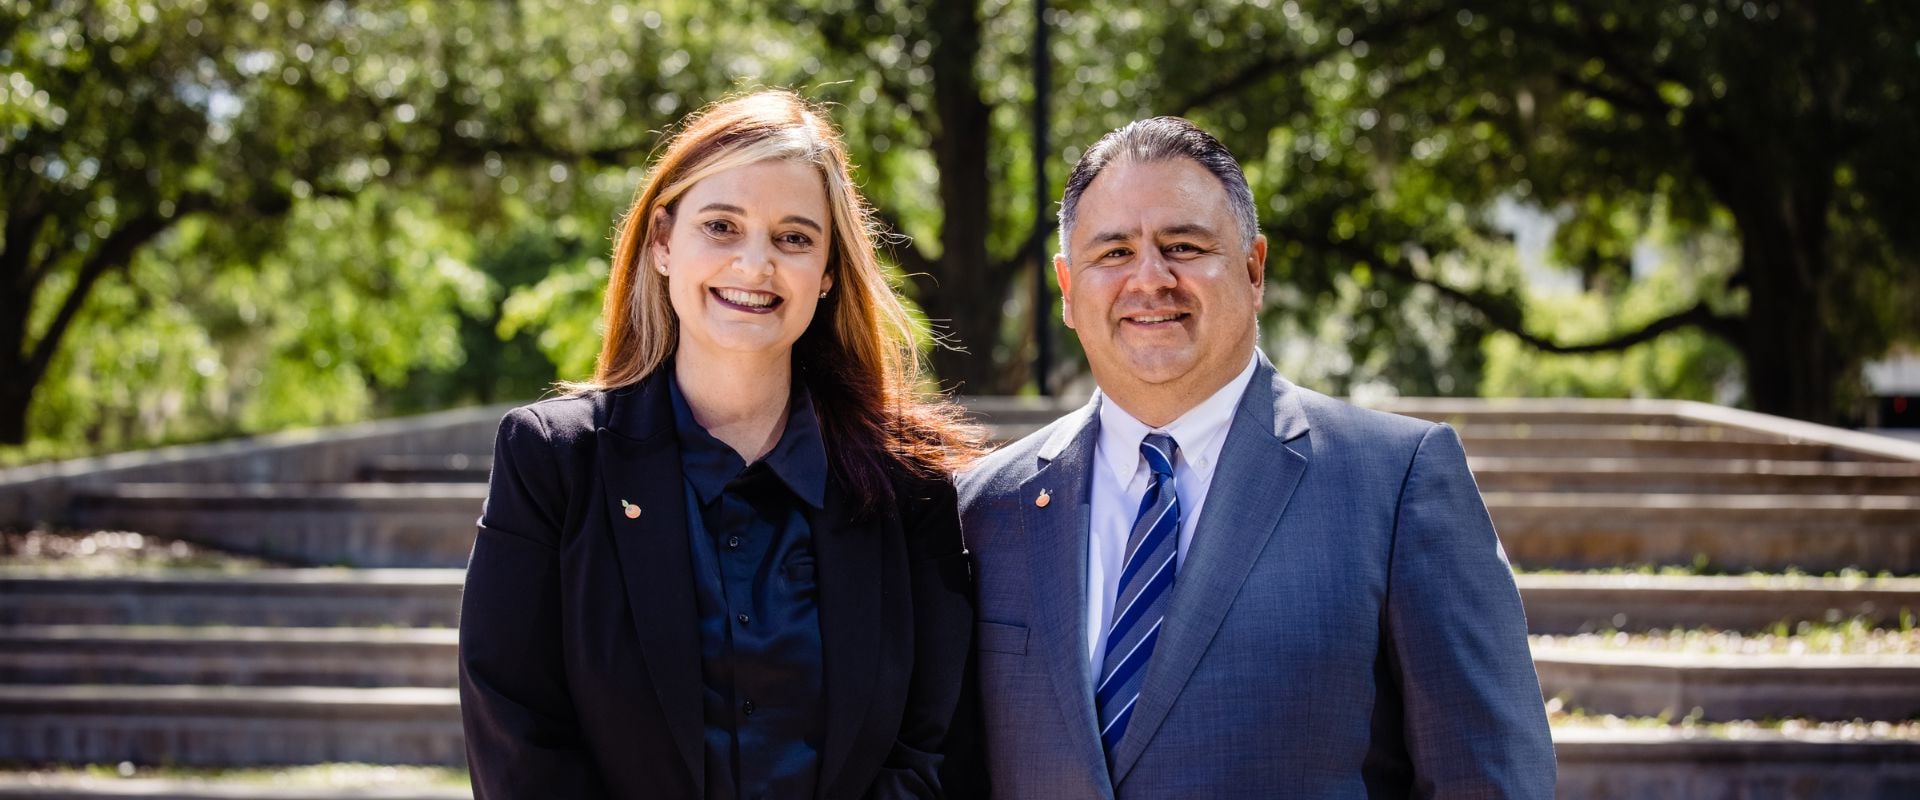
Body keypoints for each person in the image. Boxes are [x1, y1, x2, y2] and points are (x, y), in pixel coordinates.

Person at [958, 117, 1555, 798]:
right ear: (1068, 287)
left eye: (1183, 245)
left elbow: (1488, 778)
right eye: (1114, 252)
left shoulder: (1396, 484)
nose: (1150, 278)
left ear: (1252, 268)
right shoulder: (982, 509)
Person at [459, 90, 982, 799]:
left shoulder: (910, 485)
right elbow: (519, 739)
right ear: (664, 244)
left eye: (794, 238)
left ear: (828, 272)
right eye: (722, 227)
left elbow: (937, 749)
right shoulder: (553, 462)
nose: (755, 265)